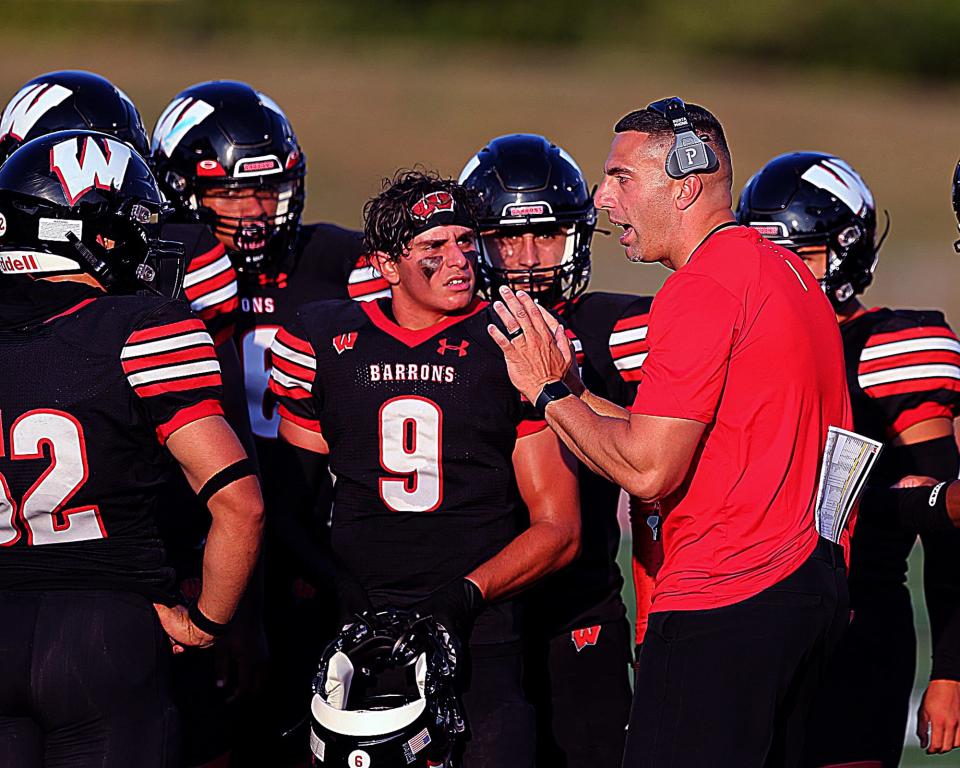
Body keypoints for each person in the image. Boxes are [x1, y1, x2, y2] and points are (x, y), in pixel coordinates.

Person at [487, 98, 852, 768]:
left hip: (728, 596)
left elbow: (648, 470)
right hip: (806, 589)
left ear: (684, 185)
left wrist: (543, 393)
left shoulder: (704, 286)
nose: (602, 198)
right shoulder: (787, 273)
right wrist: (575, 391)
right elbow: (707, 431)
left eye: (622, 177)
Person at [268, 170, 580, 767]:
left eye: (465, 240)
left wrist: (461, 598)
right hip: (354, 638)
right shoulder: (323, 338)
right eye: (433, 248)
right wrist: (339, 589)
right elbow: (289, 505)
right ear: (387, 264)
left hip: (480, 634)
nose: (459, 260)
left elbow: (558, 528)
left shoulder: (516, 341)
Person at [0, 129, 263, 768]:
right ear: (69, 231)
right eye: (120, 230)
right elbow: (241, 506)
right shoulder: (141, 327)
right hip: (105, 633)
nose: (137, 246)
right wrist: (207, 622)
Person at [150, 80, 388, 764]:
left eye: (268, 191)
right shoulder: (160, 276)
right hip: (201, 536)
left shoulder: (344, 264)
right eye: (229, 194)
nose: (253, 213)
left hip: (314, 534)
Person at [738, 151, 960, 765]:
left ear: (846, 251)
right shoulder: (730, 344)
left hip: (857, 625)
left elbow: (950, 523)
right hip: (747, 622)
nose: (782, 274)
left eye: (799, 255)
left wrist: (952, 668)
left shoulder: (894, 348)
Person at [459, 133, 646, 768]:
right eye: (508, 239)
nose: (529, 258)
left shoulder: (619, 328)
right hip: (473, 609)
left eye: (546, 235)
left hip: (578, 603)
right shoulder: (442, 336)